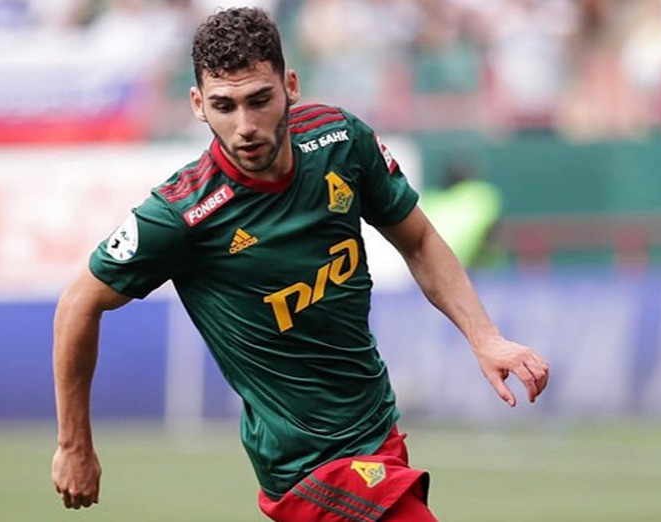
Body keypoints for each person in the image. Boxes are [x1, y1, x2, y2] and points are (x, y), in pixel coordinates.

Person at [51, 7, 549, 521]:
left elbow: (419, 240)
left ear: (290, 85)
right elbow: (78, 303)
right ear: (198, 104)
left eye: (259, 100)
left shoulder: (340, 141)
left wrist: (485, 337)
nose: (245, 126)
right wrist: (73, 444)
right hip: (308, 467)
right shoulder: (183, 214)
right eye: (224, 106)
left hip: (377, 431)